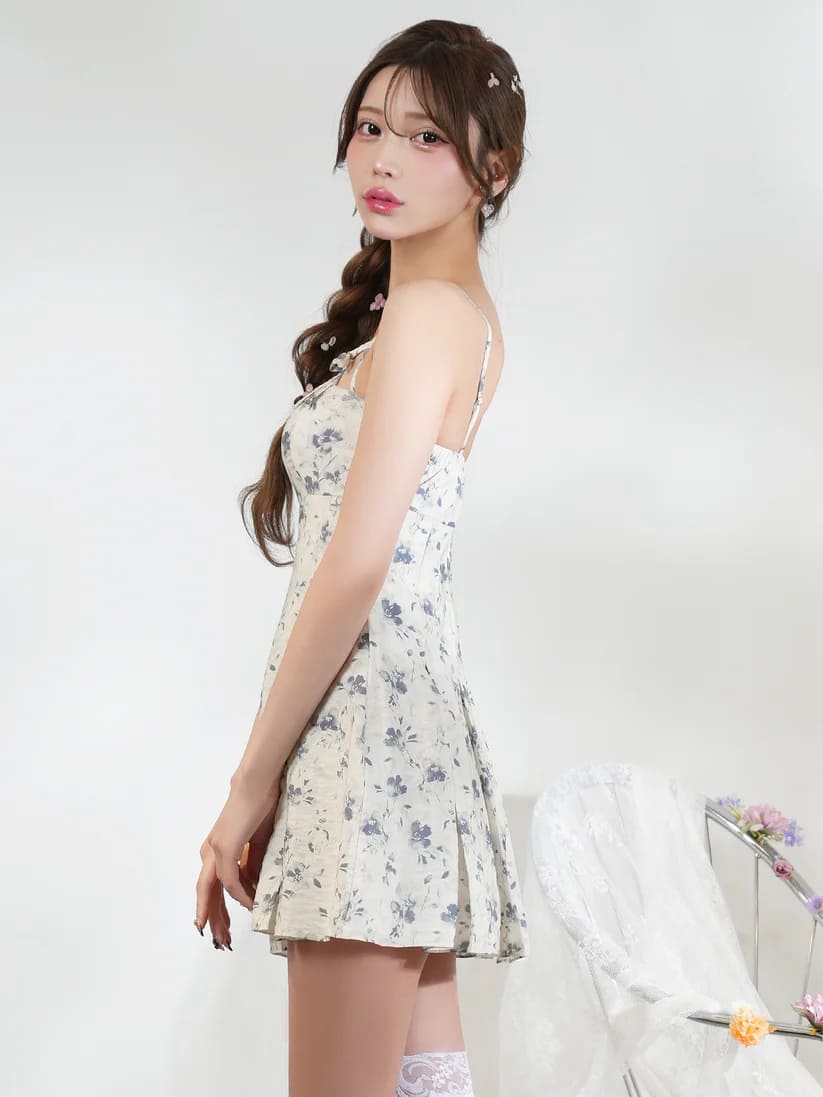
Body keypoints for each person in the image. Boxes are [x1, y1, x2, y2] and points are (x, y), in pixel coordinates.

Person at [194, 19, 529, 1097]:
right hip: (403, 734)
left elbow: (353, 568)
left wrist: (246, 790)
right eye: (370, 128)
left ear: (491, 169)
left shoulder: (430, 313)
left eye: (426, 137)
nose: (384, 157)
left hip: (368, 743)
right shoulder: (449, 317)